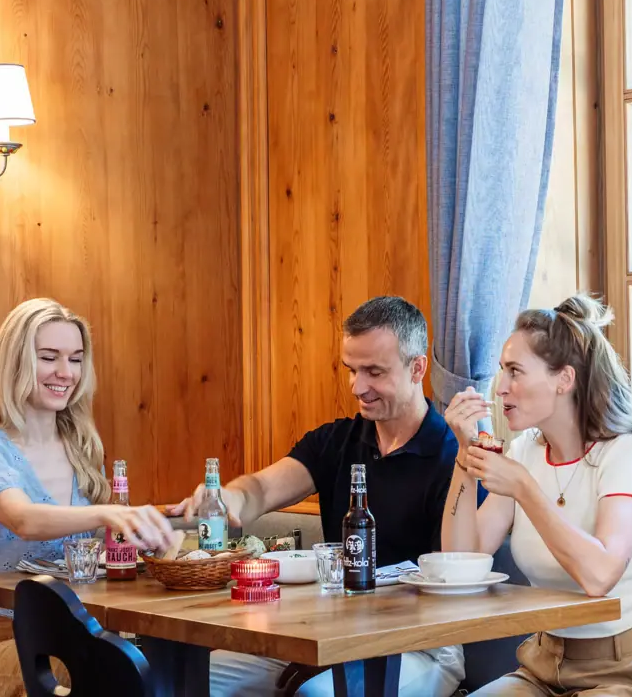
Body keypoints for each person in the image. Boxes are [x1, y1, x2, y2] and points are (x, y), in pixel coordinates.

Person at [177, 296, 466, 697]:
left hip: (419, 643)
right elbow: (260, 488)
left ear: (417, 368)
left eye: (374, 372)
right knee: (190, 682)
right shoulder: (336, 440)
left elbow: (453, 576)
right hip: (324, 632)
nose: (357, 387)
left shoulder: (452, 456)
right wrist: (226, 499)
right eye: (351, 370)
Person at [441, 294, 632, 696]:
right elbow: (460, 560)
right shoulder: (526, 450)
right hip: (544, 665)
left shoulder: (627, 451)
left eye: (515, 371)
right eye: (502, 371)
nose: (500, 387)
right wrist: (464, 455)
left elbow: (599, 575)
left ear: (564, 379)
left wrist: (525, 488)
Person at [0, 298, 177, 697]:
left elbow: (89, 551)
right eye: (48, 357)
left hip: (80, 628)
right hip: (4, 638)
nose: (65, 372)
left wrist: (147, 544)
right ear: (15, 362)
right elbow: (24, 519)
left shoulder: (82, 445)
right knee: (96, 666)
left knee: (163, 661)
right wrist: (109, 515)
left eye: (75, 359)